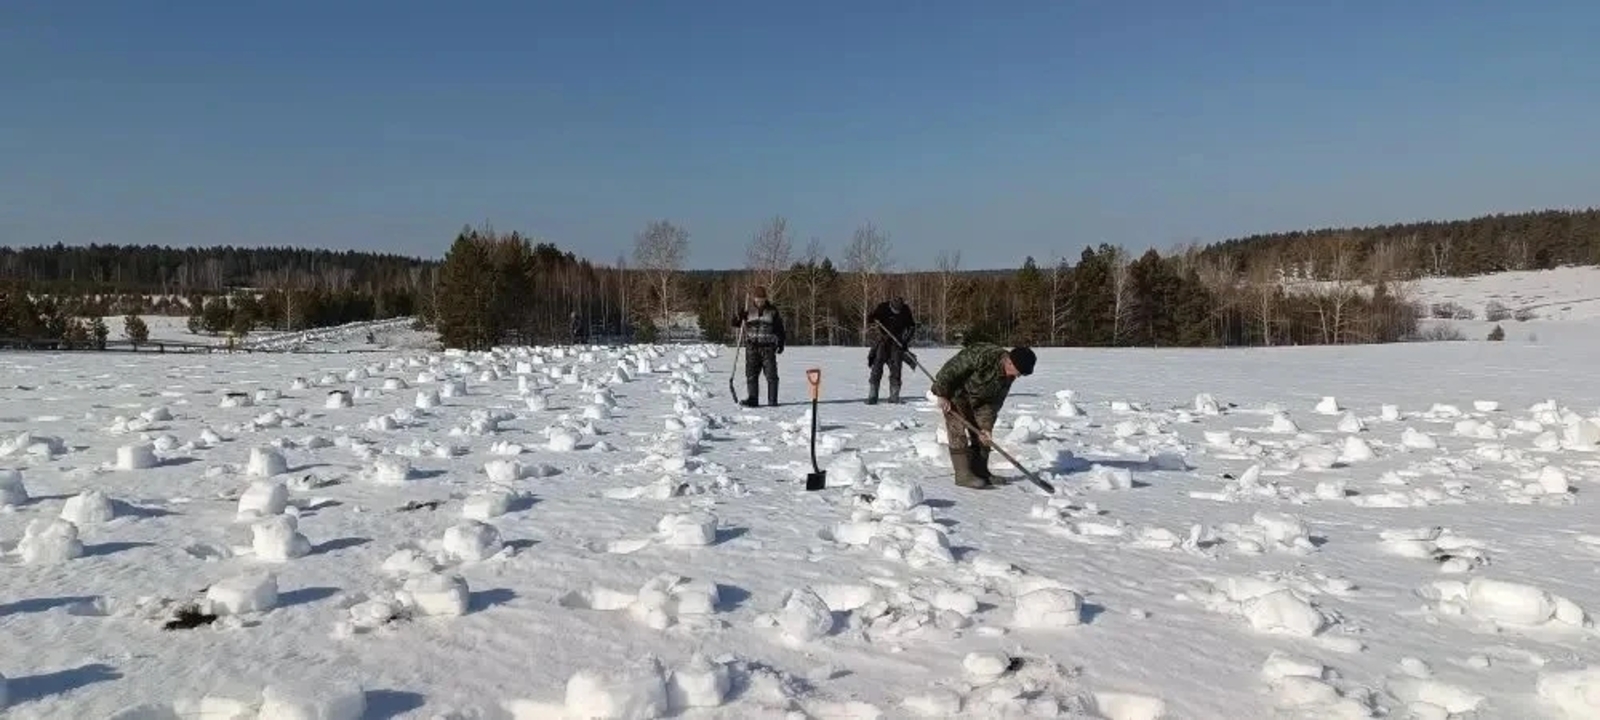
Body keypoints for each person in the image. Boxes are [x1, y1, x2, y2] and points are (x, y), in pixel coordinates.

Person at [929, 342, 1036, 489]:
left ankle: (980, 471)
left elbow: (993, 404)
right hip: (955, 394)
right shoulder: (982, 356)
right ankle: (963, 475)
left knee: (983, 434)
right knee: (957, 429)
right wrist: (941, 394)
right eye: (1018, 372)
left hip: (980, 402)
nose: (1017, 376)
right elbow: (950, 370)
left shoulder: (1008, 377)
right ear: (1009, 362)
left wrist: (986, 427)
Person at [729, 286, 786, 407]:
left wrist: (781, 343)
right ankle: (753, 399)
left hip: (768, 348)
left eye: (762, 299)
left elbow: (780, 329)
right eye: (758, 299)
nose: (760, 301)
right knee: (751, 375)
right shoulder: (748, 310)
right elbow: (735, 323)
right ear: (754, 299)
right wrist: (739, 316)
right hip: (752, 347)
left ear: (765, 299)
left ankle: (772, 401)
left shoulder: (772, 311)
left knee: (771, 376)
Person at [865, 296, 916, 404]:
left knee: (896, 369)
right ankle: (873, 395)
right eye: (895, 310)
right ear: (891, 306)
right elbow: (871, 318)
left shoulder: (905, 310)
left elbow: (912, 327)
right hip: (883, 341)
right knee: (877, 367)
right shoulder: (882, 307)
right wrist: (872, 318)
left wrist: (905, 342)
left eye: (899, 310)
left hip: (897, 343)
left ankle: (894, 396)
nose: (897, 311)